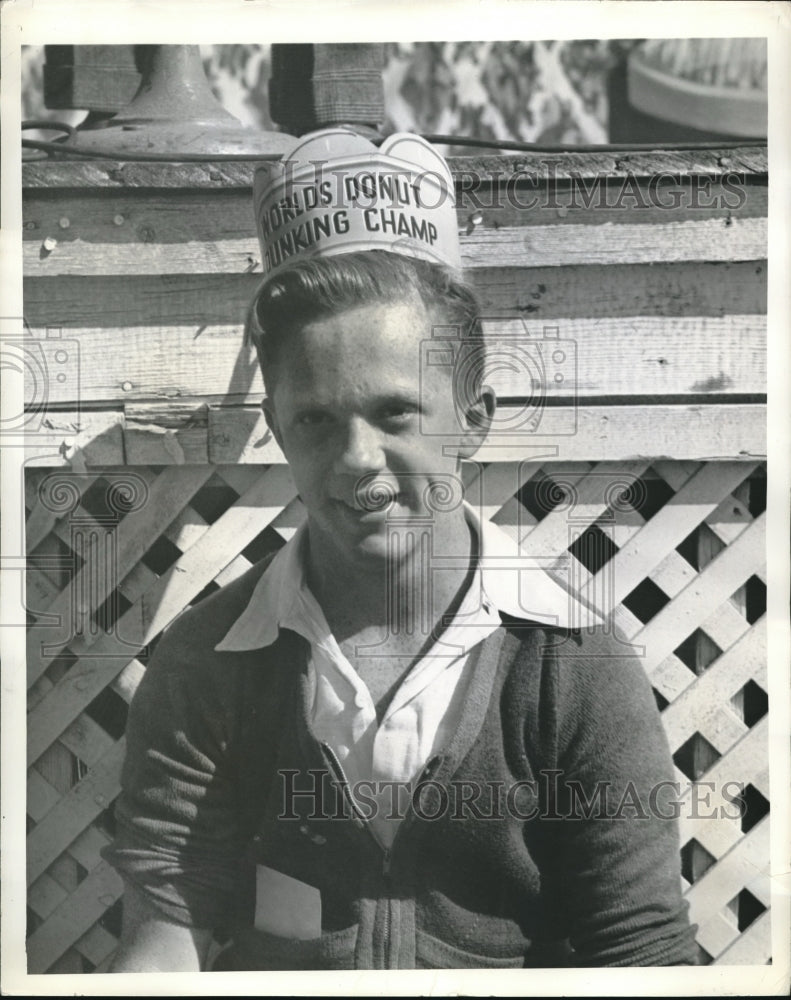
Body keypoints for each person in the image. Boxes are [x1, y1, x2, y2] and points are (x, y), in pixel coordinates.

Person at [104, 129, 697, 971]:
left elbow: (639, 952)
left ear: (475, 419)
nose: (354, 460)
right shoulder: (209, 661)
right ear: (276, 428)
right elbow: (165, 941)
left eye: (395, 414)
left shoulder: (568, 666)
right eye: (315, 419)